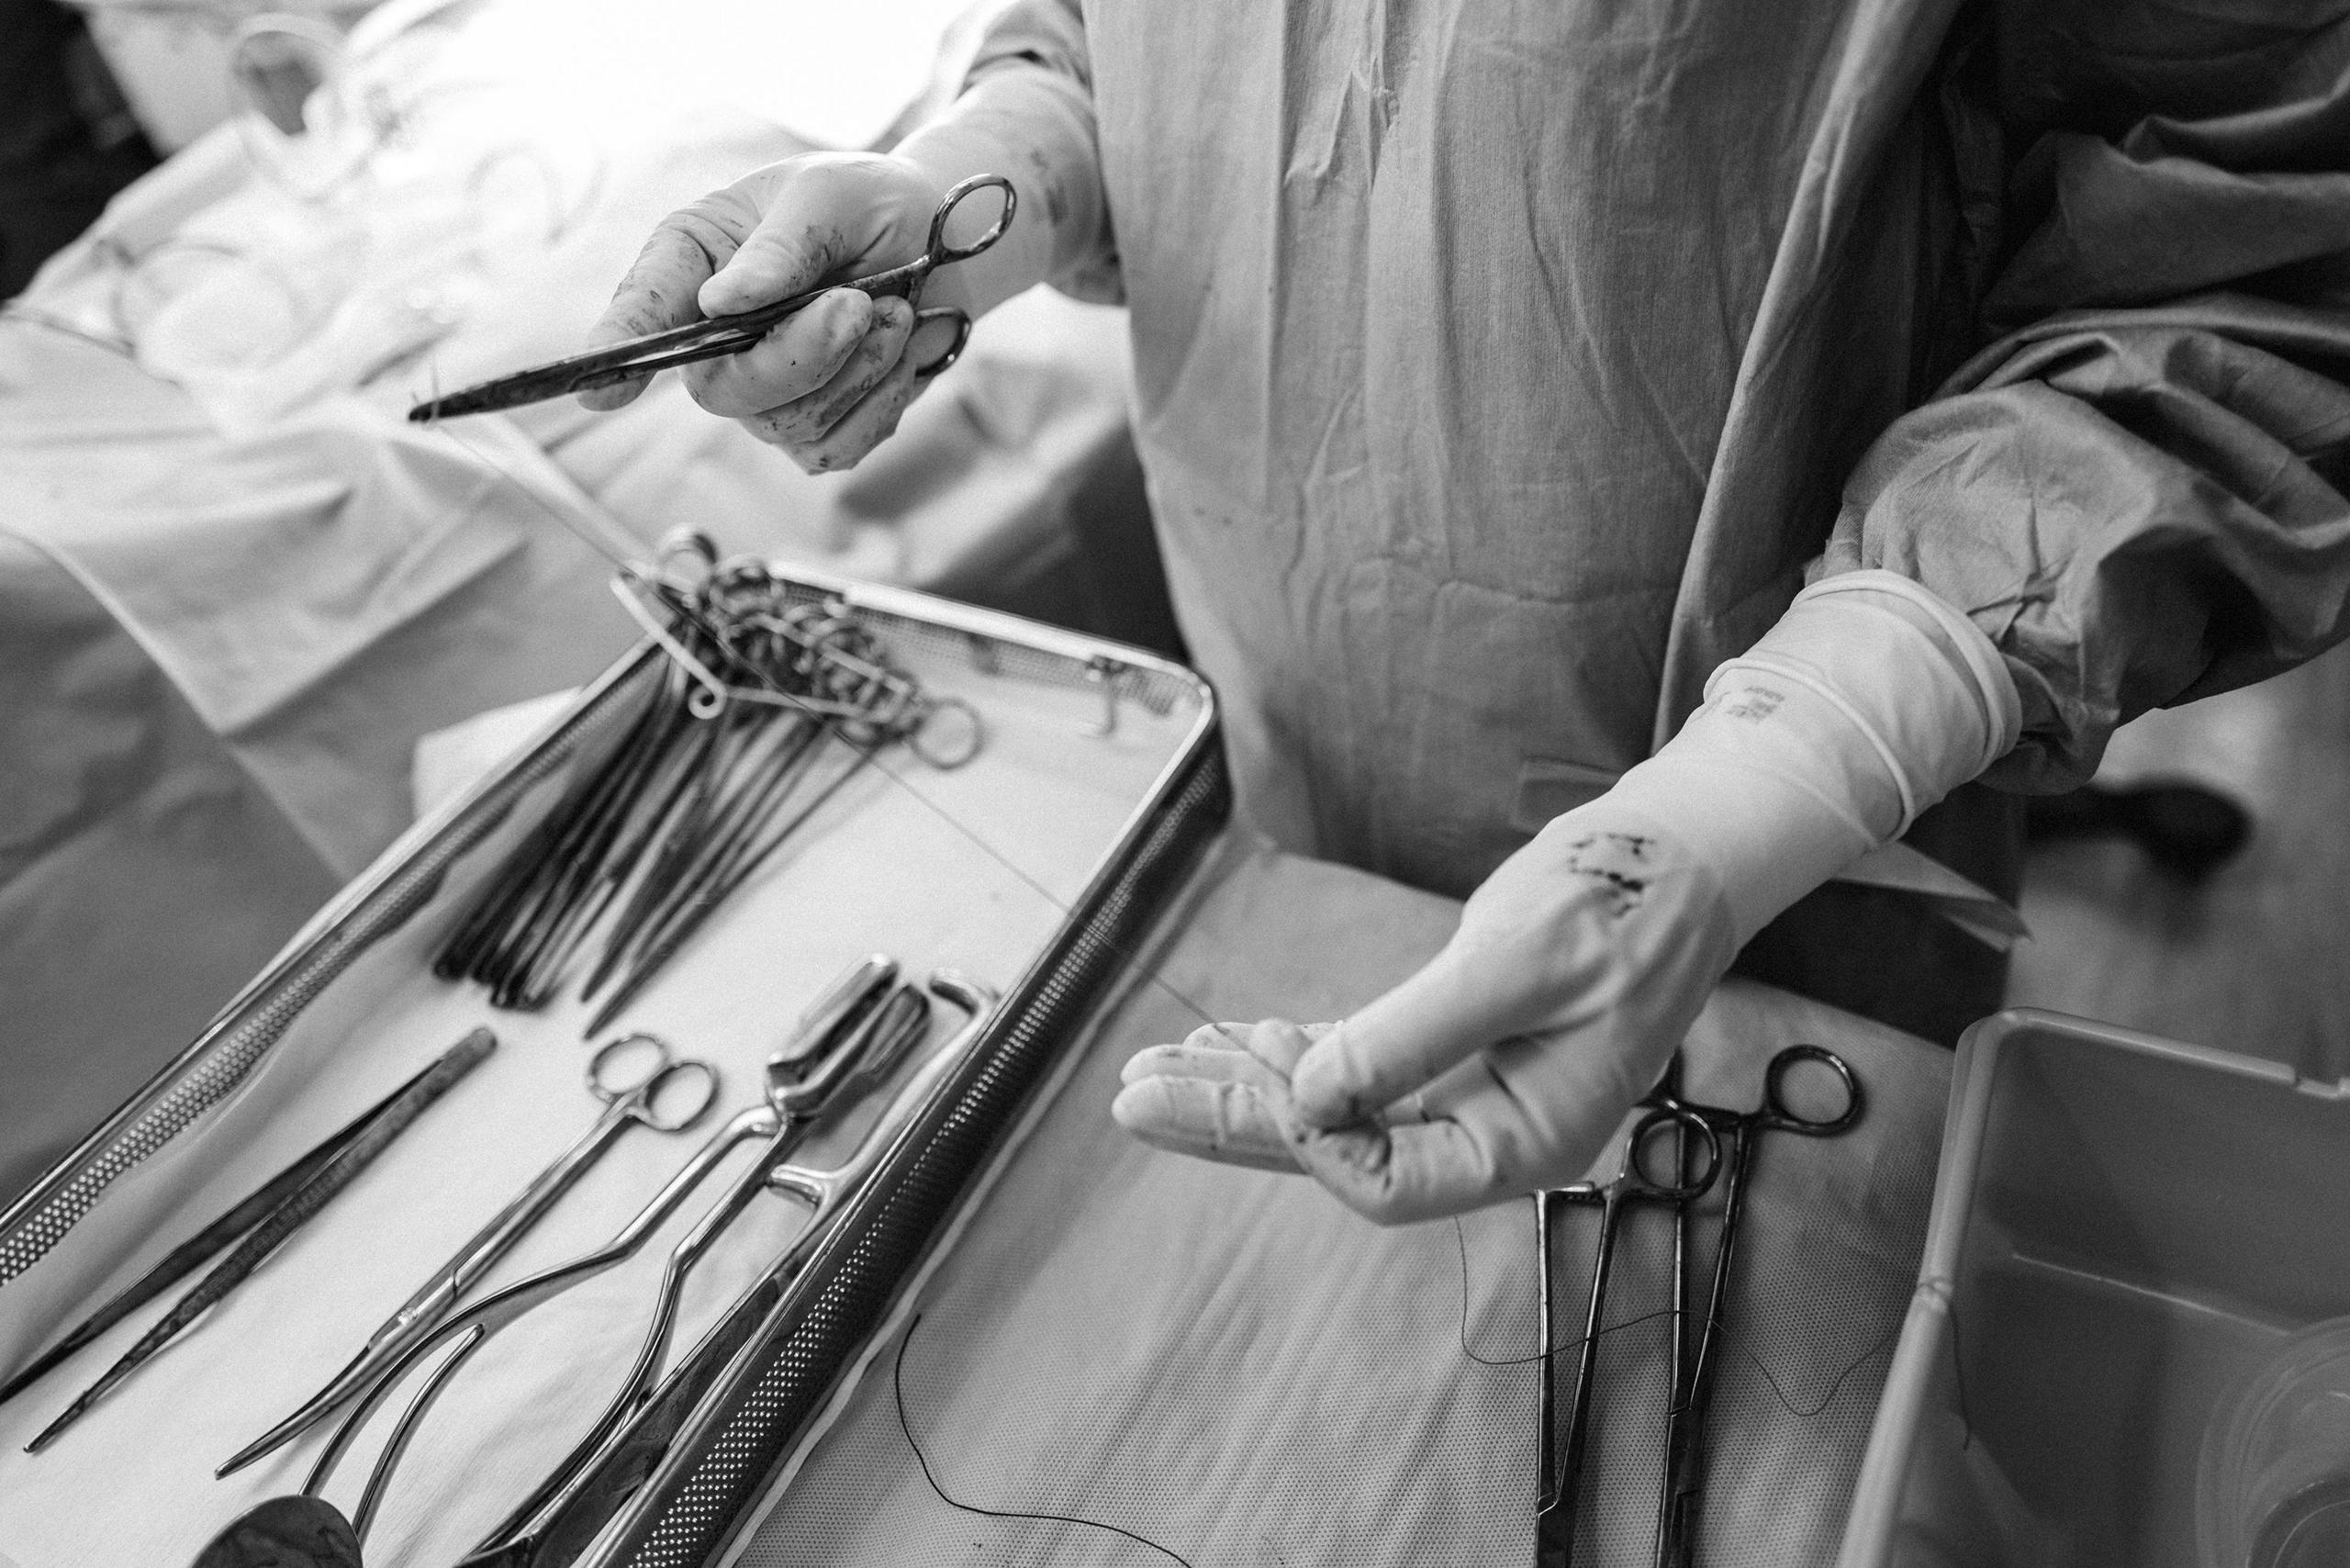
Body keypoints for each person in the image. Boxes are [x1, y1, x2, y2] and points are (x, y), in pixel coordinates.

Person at [583, 0, 2350, 1225]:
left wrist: (1727, 820)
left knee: (1767, 1226)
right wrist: (987, 175)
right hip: (1288, 635)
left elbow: (2243, 279)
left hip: (1772, 757)